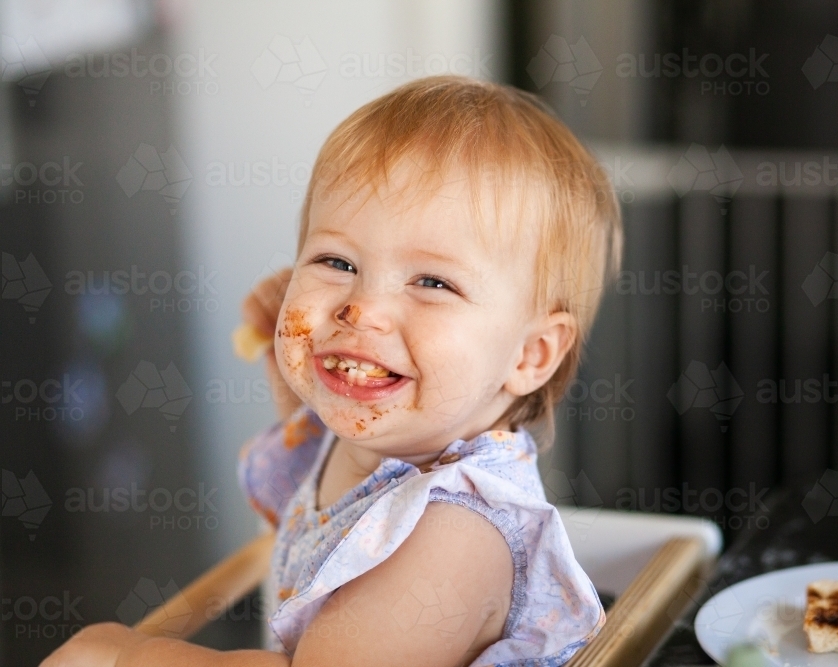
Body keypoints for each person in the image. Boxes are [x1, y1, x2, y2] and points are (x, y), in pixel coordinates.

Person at [42, 75, 623, 667]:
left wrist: (122, 657)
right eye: (336, 261)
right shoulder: (389, 437)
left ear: (530, 355)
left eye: (432, 282)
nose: (360, 307)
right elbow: (313, 448)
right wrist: (287, 355)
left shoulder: (455, 536)